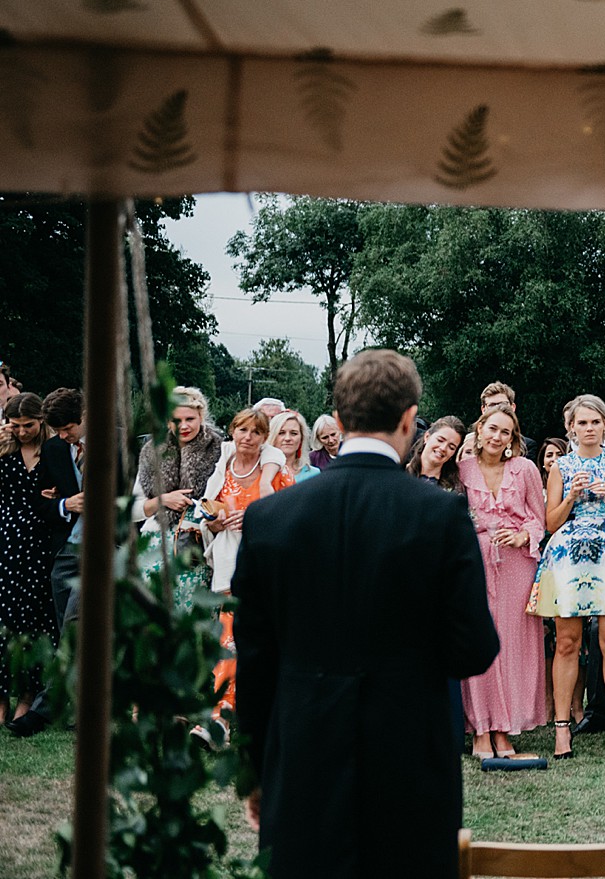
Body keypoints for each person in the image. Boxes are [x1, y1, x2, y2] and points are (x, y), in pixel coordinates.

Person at [233, 348, 499, 879]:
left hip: (304, 748)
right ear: (408, 419)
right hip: (409, 757)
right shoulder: (441, 513)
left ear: (339, 417)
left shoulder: (270, 517)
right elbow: (472, 647)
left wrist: (256, 771)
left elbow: (255, 661)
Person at [533, 394, 605, 760]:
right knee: (567, 642)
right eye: (582, 423)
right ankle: (562, 729)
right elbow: (550, 523)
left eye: (595, 422)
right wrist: (571, 496)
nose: (589, 428)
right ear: (571, 428)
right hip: (568, 555)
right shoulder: (561, 467)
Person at [457, 406, 548, 761]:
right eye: (492, 429)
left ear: (513, 440)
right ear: (479, 430)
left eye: (505, 432)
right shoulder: (461, 470)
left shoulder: (524, 470)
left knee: (512, 647)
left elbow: (540, 521)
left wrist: (523, 534)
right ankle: (481, 728)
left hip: (516, 566)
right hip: (474, 563)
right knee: (479, 640)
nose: (497, 437)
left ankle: (504, 728)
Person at [200, 407, 292, 735]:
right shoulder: (222, 468)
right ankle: (220, 717)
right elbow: (206, 514)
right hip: (228, 565)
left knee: (266, 646)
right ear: (233, 432)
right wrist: (216, 521)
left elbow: (291, 519)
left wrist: (256, 518)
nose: (247, 437)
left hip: (266, 570)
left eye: (255, 432)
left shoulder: (276, 471)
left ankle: (263, 717)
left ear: (264, 438)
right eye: (242, 430)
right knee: (229, 643)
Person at [135, 387, 224, 613]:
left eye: (190, 419)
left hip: (197, 547)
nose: (183, 426)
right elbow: (136, 509)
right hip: (156, 546)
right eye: (176, 420)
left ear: (201, 417)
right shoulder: (151, 452)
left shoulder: (220, 451)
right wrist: (163, 500)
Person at [0, 394, 56, 721]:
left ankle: (28, 692)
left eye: (29, 425)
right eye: (15, 425)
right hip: (7, 541)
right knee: (5, 619)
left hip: (40, 541)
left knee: (35, 620)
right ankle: (3, 695)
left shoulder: (52, 451)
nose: (22, 432)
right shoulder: (4, 450)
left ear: (41, 421)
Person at [407, 416, 468, 492]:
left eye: (451, 447)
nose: (443, 448)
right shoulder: (398, 473)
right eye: (440, 440)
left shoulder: (454, 490)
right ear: (427, 436)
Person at [268, 409, 319, 483]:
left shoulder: (314, 474)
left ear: (302, 438)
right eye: (281, 433)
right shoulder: (260, 473)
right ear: (272, 436)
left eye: (294, 433)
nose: (287, 438)